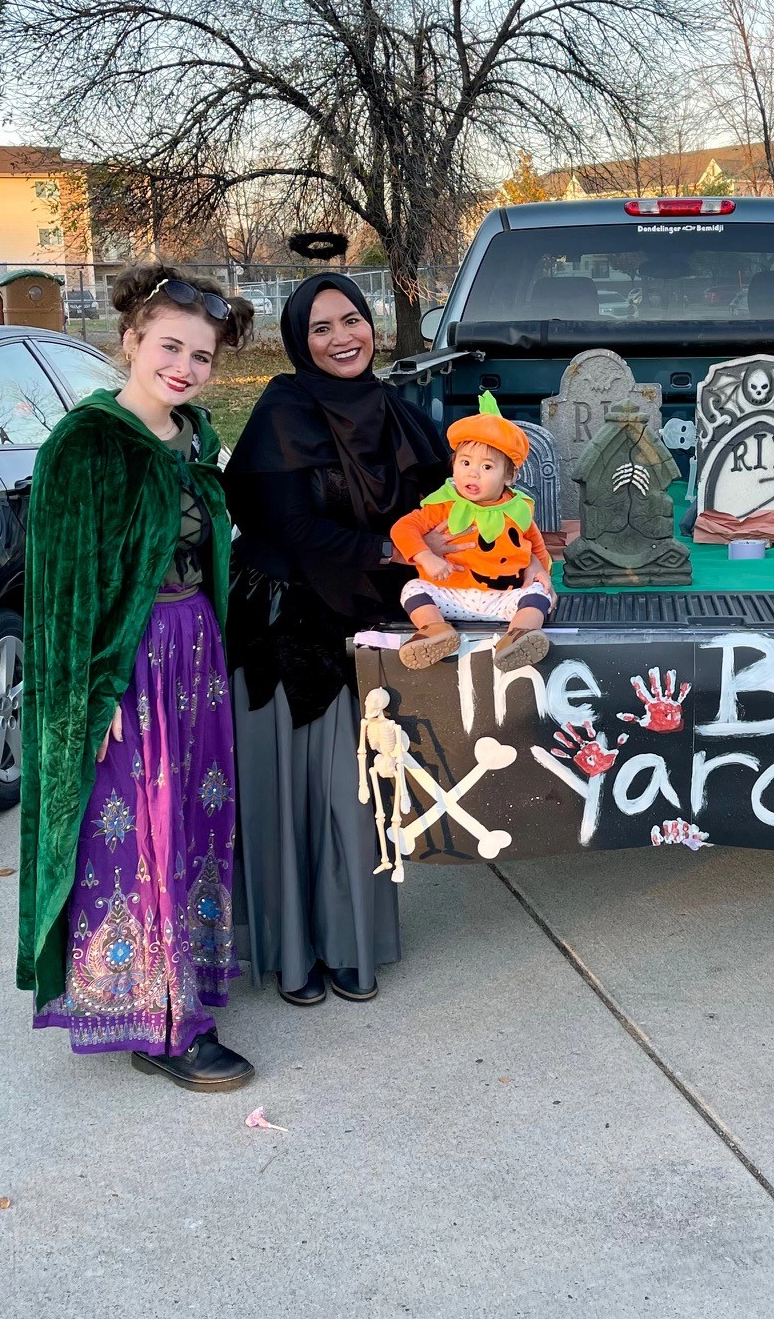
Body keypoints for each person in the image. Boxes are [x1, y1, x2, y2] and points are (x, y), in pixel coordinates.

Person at [19, 264, 256, 1091]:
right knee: (141, 833)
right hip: (130, 668)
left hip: (197, 653)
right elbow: (58, 591)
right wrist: (92, 694)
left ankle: (186, 982)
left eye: (202, 354)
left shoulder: (194, 438)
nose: (185, 366)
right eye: (168, 346)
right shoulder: (85, 445)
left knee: (190, 825)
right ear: (128, 341)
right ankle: (161, 1023)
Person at [225, 273, 448, 1008]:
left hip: (372, 628)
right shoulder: (280, 415)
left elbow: (446, 509)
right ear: (298, 341)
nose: (342, 337)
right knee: (293, 797)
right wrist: (389, 546)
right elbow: (287, 528)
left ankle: (353, 944)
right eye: (321, 328)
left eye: (351, 319)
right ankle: (293, 956)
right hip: (288, 630)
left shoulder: (402, 416)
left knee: (360, 796)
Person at [389, 390, 556, 671]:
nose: (472, 473)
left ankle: (518, 637)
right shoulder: (442, 504)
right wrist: (425, 557)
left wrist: (542, 573)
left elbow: (535, 544)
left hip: (505, 596)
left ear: (509, 476)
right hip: (451, 593)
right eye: (465, 463)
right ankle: (435, 630)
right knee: (413, 589)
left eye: (487, 466)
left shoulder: (518, 508)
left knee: (538, 595)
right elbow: (403, 529)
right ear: (454, 464)